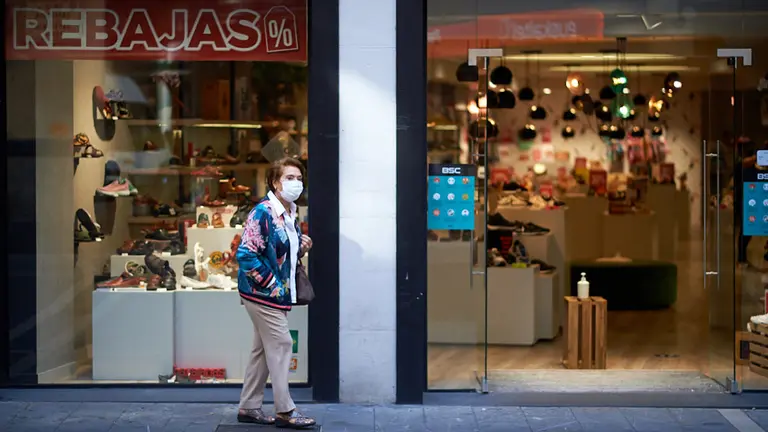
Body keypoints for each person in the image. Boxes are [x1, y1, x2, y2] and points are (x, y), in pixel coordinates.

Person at [236, 157, 316, 429]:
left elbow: (278, 252)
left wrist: (301, 247)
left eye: (299, 178)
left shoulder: (290, 212)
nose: (296, 183)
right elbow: (245, 254)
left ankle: (249, 407)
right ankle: (285, 411)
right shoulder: (263, 212)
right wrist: (273, 284)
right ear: (274, 182)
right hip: (262, 294)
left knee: (262, 351)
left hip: (273, 294)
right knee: (281, 345)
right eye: (289, 178)